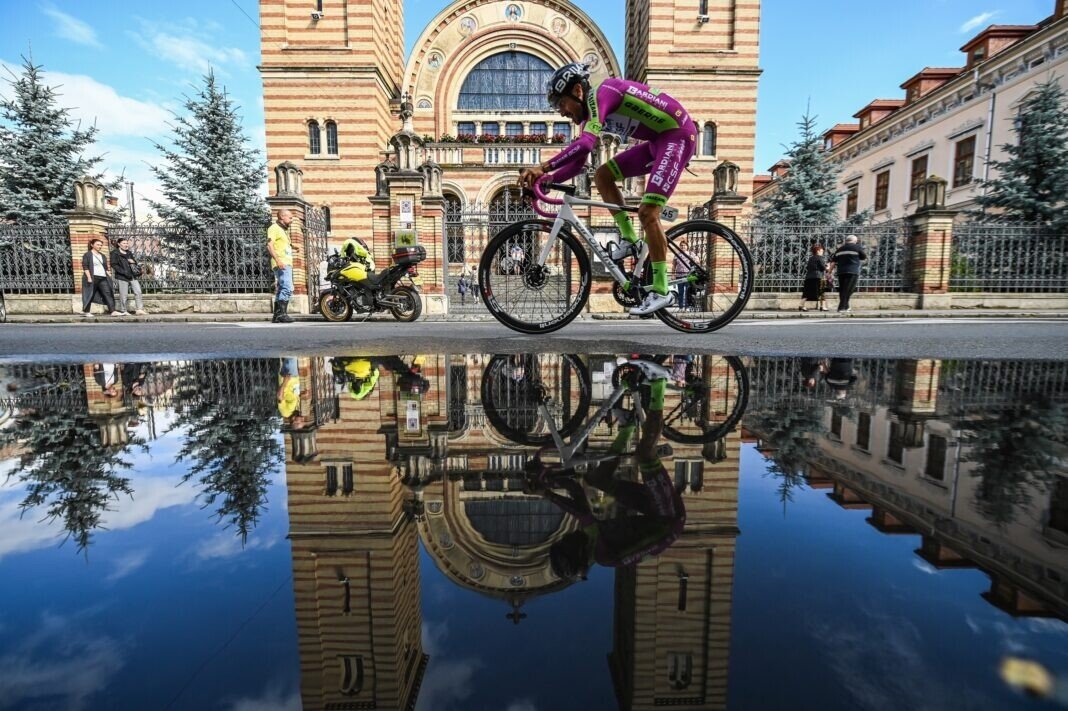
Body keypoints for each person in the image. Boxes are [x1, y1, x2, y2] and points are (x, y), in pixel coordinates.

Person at [519, 63, 697, 316]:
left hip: (677, 136)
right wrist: (547, 181)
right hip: (657, 142)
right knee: (603, 175)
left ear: (578, 91)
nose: (562, 112)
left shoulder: (603, 94)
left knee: (648, 212)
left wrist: (543, 167)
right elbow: (579, 163)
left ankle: (661, 290)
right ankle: (630, 239)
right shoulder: (590, 116)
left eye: (561, 104)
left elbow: (584, 145)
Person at [527, 370, 685, 580]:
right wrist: (547, 494)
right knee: (645, 454)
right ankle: (659, 386)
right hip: (668, 520)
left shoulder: (591, 540)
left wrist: (549, 480)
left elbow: (577, 491)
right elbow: (583, 514)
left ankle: (627, 426)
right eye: (566, 541)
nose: (568, 535)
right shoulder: (604, 556)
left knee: (596, 479)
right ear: (576, 553)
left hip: (650, 513)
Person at [81, 238, 123, 318]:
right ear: (92, 245)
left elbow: (105, 267)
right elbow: (85, 267)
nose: (99, 246)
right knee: (90, 294)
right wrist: (89, 277)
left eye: (101, 245)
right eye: (98, 245)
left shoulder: (102, 255)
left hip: (103, 277)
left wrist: (109, 274)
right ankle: (86, 311)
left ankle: (113, 311)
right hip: (92, 277)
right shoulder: (88, 254)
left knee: (108, 293)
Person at [266, 209, 295, 323]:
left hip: (286, 262)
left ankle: (277, 315)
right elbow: (269, 245)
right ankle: (282, 314)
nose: (291, 220)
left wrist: (293, 246)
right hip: (282, 263)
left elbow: (282, 245)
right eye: (290, 218)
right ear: (282, 217)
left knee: (282, 288)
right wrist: (278, 260)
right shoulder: (274, 228)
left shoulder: (283, 230)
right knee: (287, 287)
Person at [828, 234, 867, 313]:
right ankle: (842, 307)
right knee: (849, 290)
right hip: (852, 271)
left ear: (846, 240)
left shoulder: (839, 249)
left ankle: (846, 306)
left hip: (841, 272)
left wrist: (829, 272)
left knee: (843, 289)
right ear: (855, 241)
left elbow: (833, 262)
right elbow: (863, 257)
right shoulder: (857, 247)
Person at [110, 237, 148, 315]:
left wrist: (133, 261)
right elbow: (114, 265)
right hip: (122, 276)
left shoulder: (129, 253)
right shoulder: (114, 253)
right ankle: (124, 310)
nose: (126, 245)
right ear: (119, 244)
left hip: (132, 275)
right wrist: (124, 272)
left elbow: (134, 263)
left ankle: (139, 309)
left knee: (138, 291)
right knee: (123, 294)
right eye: (124, 243)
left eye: (127, 243)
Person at [799, 244, 828, 312]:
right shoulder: (820, 258)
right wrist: (828, 267)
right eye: (821, 251)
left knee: (806, 292)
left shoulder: (811, 258)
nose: (822, 252)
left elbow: (808, 267)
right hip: (818, 277)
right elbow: (823, 268)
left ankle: (801, 305)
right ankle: (822, 306)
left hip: (809, 277)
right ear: (818, 251)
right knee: (821, 292)